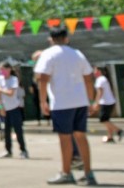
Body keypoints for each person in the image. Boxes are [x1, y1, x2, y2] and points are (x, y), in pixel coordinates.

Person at [35, 27, 96, 186]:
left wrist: (42, 101)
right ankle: (89, 173)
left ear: (51, 39)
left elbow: (43, 78)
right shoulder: (77, 53)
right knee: (81, 136)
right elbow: (89, 77)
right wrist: (91, 100)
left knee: (65, 138)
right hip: (80, 101)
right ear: (66, 38)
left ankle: (66, 172)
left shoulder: (48, 54)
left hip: (61, 103)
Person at [0, 61, 28, 159]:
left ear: (9, 69)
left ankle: (23, 150)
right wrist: (0, 108)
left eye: (3, 69)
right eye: (0, 70)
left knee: (18, 130)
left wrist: (1, 90)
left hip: (15, 108)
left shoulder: (14, 79)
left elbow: (11, 93)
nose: (2, 72)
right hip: (5, 109)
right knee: (6, 131)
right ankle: (8, 150)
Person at [90, 66, 122, 144]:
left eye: (95, 70)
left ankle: (118, 130)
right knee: (106, 120)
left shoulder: (100, 79)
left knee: (103, 119)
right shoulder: (103, 79)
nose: (94, 71)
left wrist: (96, 103)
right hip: (109, 102)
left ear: (99, 71)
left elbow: (100, 92)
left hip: (106, 102)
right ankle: (110, 137)